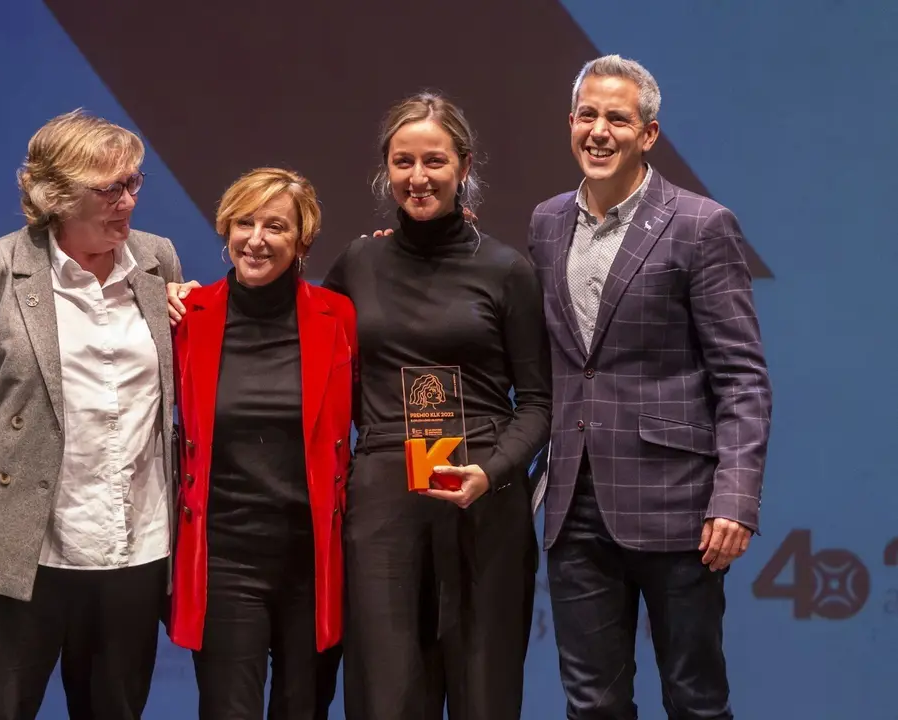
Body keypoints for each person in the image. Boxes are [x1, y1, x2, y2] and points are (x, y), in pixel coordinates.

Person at [527, 55, 773, 719]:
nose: (599, 130)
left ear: (649, 134)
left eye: (617, 117)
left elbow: (742, 377)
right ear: (570, 123)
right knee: (592, 705)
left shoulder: (700, 224)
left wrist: (736, 498)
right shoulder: (545, 224)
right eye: (587, 115)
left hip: (681, 508)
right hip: (574, 504)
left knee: (694, 701)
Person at [0, 109, 183, 720]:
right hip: (19, 546)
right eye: (110, 189)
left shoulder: (157, 261)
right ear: (56, 197)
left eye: (135, 183)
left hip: (134, 545)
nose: (128, 201)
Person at [324, 93, 551, 719]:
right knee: (387, 697)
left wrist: (494, 472)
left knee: (484, 694)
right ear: (385, 170)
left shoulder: (506, 270)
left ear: (463, 165)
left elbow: (537, 403)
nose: (418, 177)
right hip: (382, 502)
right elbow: (304, 356)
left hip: (480, 494)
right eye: (403, 161)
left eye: (434, 160)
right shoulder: (357, 262)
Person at [167, 167, 356, 719]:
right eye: (243, 222)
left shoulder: (337, 315)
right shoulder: (187, 316)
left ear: (302, 240)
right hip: (226, 560)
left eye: (275, 225)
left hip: (312, 558)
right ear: (225, 230)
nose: (256, 239)